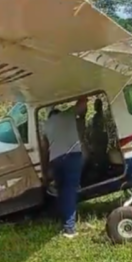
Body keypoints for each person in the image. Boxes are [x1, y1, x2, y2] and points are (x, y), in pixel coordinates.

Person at [41, 98, 86, 238]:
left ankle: (65, 221)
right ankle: (69, 228)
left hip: (55, 160)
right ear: (58, 112)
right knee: (70, 191)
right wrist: (83, 91)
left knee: (62, 191)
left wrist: (45, 170)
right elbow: (83, 105)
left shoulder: (46, 126)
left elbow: (45, 149)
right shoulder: (68, 114)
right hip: (72, 157)